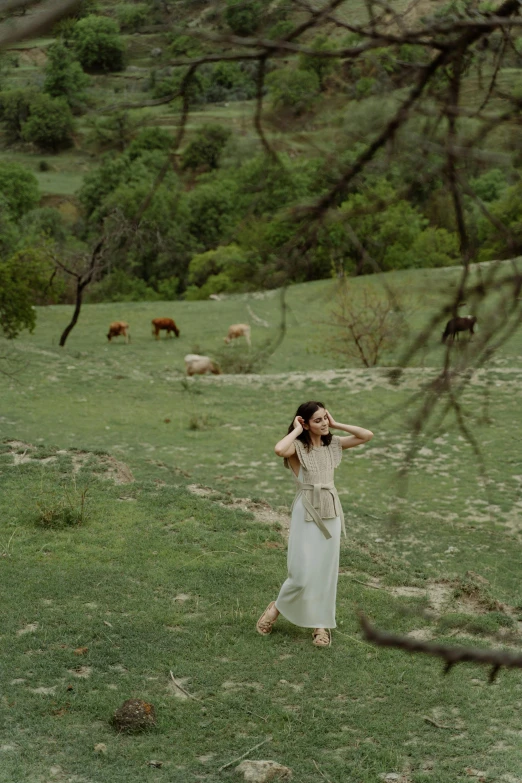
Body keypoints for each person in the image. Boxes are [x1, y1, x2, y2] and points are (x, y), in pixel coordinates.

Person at [256, 401, 373, 647]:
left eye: (325, 418)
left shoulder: (334, 444)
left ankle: (321, 625)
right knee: (300, 573)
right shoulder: (297, 447)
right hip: (306, 509)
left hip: (330, 509)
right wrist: (297, 430)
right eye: (317, 420)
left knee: (325, 572)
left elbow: (366, 435)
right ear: (305, 423)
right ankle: (276, 608)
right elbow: (279, 449)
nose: (323, 423)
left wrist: (335, 422)